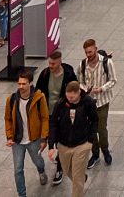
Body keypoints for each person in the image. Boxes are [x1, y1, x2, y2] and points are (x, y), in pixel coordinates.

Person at [47, 81, 98, 197]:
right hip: (63, 145)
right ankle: (81, 177)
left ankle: (79, 182)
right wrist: (51, 145)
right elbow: (53, 124)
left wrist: (90, 140)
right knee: (67, 170)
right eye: (68, 96)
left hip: (82, 144)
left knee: (77, 179)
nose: (70, 98)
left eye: (72, 96)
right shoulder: (60, 104)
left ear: (79, 93)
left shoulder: (88, 103)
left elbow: (95, 120)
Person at [5, 69, 49, 196]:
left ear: (30, 83)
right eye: (19, 84)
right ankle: (22, 194)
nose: (21, 86)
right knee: (18, 169)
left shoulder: (39, 98)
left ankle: (41, 171)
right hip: (17, 140)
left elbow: (45, 118)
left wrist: (43, 138)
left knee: (38, 161)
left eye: (24, 84)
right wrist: (9, 136)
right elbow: (7, 119)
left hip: (34, 139)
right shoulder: (12, 99)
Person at [35, 51, 76, 186]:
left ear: (60, 62)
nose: (50, 66)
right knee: (51, 139)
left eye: (53, 63)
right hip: (48, 114)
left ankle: (59, 169)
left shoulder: (69, 73)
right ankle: (58, 161)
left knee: (61, 141)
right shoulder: (45, 74)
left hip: (62, 114)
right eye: (49, 63)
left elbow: (75, 91)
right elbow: (37, 91)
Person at [79, 39, 115, 167]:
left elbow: (113, 80)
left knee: (101, 128)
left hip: (102, 102)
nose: (88, 54)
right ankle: (95, 154)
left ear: (95, 49)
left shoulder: (107, 63)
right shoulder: (83, 64)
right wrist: (84, 89)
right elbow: (80, 81)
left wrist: (101, 89)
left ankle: (105, 150)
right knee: (91, 130)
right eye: (86, 52)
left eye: (90, 51)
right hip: (89, 103)